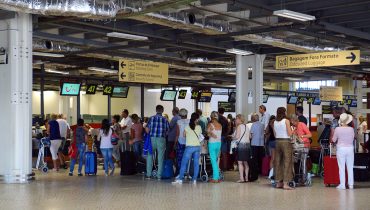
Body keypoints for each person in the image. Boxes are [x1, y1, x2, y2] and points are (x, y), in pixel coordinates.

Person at [172, 113, 202, 185]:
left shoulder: (187, 127)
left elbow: (184, 135)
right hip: (197, 147)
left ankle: (180, 179)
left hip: (189, 147)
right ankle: (194, 180)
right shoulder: (199, 127)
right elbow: (199, 135)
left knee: (183, 163)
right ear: (197, 119)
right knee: (196, 163)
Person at [145, 105, 169, 180]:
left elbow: (147, 130)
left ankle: (148, 174)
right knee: (160, 157)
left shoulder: (151, 118)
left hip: (152, 139)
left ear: (156, 110)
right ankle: (159, 176)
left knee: (149, 156)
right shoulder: (165, 119)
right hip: (161, 139)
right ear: (162, 110)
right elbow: (168, 131)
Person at [332, 113, 355, 190]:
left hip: (341, 149)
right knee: (350, 167)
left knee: (341, 167)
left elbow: (333, 140)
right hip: (350, 149)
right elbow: (353, 138)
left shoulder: (337, 129)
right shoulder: (351, 129)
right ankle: (351, 184)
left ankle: (342, 185)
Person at [273, 107, 294, 190]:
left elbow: (275, 134)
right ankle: (285, 183)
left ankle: (278, 182)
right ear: (284, 112)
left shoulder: (274, 122)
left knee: (278, 162)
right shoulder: (286, 121)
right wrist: (293, 130)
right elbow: (289, 133)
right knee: (287, 162)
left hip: (277, 142)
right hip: (286, 142)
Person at [290, 114, 312, 183]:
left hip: (305, 146)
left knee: (303, 162)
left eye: (293, 122)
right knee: (295, 162)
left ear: (296, 120)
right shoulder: (294, 128)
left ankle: (304, 178)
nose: (292, 124)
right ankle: (295, 176)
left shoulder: (302, 125)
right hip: (297, 147)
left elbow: (310, 135)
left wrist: (302, 136)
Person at [231, 114, 251, 183]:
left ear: (239, 119)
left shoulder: (239, 126)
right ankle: (247, 178)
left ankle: (241, 178)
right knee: (246, 162)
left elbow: (237, 137)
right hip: (247, 145)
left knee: (240, 162)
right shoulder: (246, 126)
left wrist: (232, 137)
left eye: (236, 119)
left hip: (241, 146)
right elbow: (250, 136)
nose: (235, 120)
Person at [207, 111, 222, 183]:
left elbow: (208, 133)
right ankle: (217, 176)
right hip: (219, 144)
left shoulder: (210, 124)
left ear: (211, 117)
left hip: (212, 143)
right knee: (216, 160)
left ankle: (215, 178)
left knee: (213, 161)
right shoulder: (220, 125)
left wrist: (211, 134)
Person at [175, 108, 189, 176]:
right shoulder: (190, 121)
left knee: (180, 158)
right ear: (186, 114)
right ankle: (187, 171)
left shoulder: (178, 122)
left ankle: (181, 173)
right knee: (187, 157)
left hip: (180, 142)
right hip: (188, 142)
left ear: (180, 115)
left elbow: (177, 134)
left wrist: (175, 143)